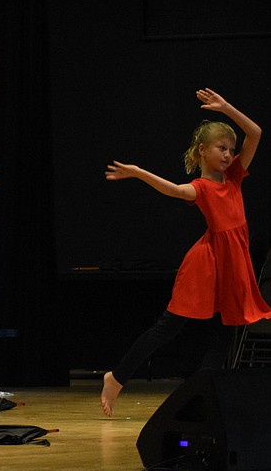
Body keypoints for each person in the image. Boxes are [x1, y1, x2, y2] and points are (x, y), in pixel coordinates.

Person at [101, 88, 267, 416]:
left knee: (228, 328)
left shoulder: (234, 179)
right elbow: (174, 189)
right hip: (207, 264)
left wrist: (225, 107)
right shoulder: (202, 189)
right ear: (203, 151)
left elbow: (256, 132)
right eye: (222, 148)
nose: (228, 154)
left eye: (231, 150)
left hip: (233, 264)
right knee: (169, 327)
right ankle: (117, 377)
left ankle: (210, 394)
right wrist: (138, 172)